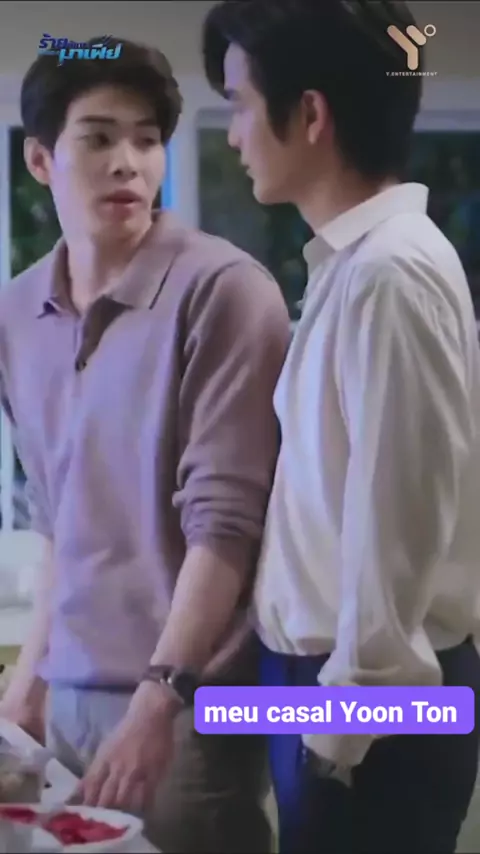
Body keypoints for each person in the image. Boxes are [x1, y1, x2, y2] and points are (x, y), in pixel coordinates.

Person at [0, 35, 291, 853]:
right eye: (98, 138)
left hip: (188, 704)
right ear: (39, 160)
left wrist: (160, 702)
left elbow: (226, 525)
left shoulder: (224, 291)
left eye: (146, 139)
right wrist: (28, 682)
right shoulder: (17, 314)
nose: (128, 162)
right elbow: (58, 520)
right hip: (64, 696)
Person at [202, 1, 480, 852]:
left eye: (241, 104)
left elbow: (399, 519)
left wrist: (334, 738)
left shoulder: (391, 273)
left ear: (311, 114)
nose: (233, 135)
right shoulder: (354, 265)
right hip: (333, 687)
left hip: (368, 709)